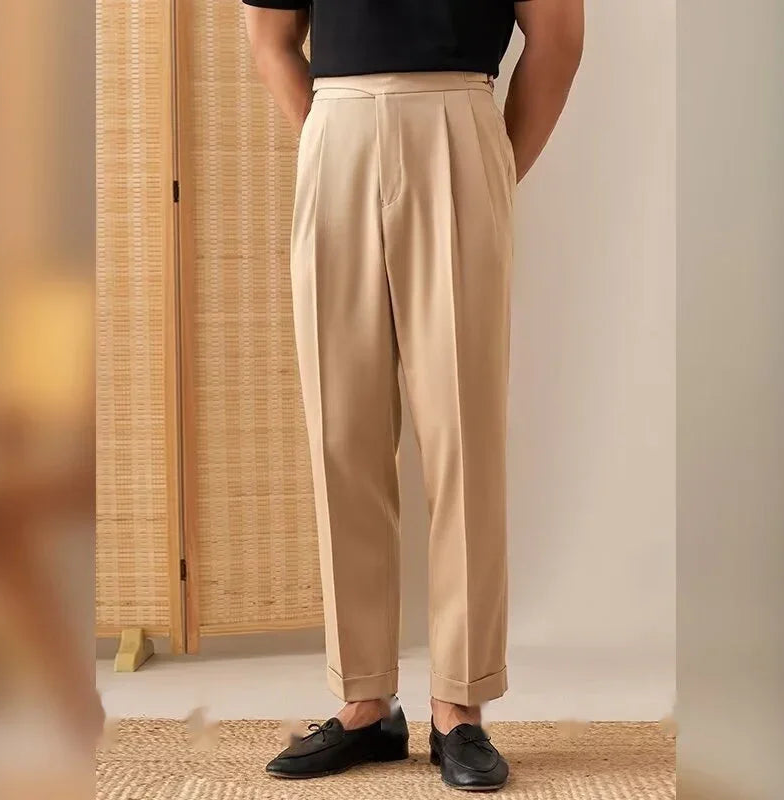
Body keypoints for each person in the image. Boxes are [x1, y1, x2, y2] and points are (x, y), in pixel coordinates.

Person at [243, 0, 583, 790]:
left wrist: (491, 165)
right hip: (337, 128)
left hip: (458, 122)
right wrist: (336, 136)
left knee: (463, 432)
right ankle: (366, 701)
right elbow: (270, 38)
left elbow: (559, 35)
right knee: (342, 429)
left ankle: (459, 705)